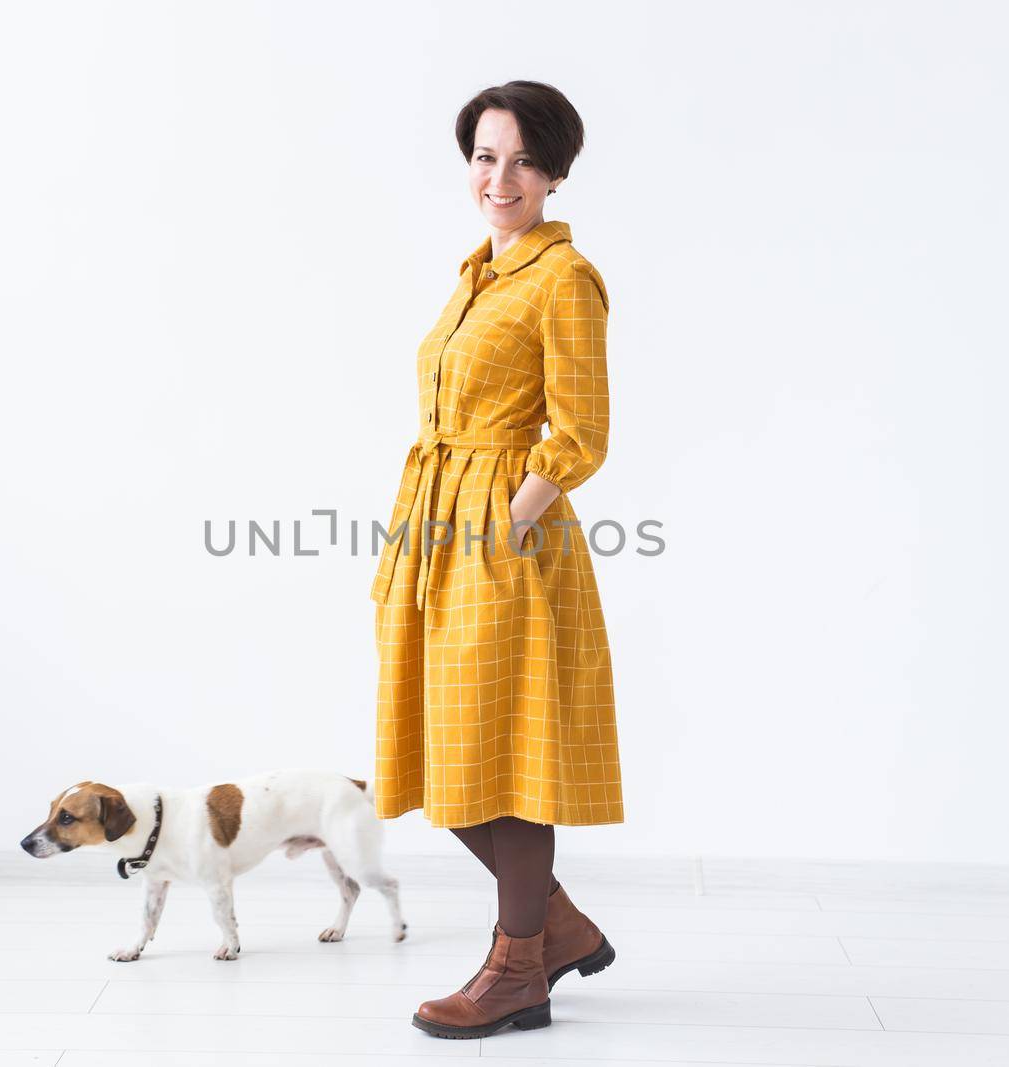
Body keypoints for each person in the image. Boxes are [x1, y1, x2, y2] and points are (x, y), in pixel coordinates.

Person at [369, 79, 624, 1039]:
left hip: (500, 536)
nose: (500, 177)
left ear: (555, 168)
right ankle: (552, 926)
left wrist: (511, 519)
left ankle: (519, 967)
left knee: (498, 751)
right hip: (433, 527)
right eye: (484, 156)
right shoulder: (479, 272)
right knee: (442, 742)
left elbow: (584, 430)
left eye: (521, 158)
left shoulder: (565, 277)